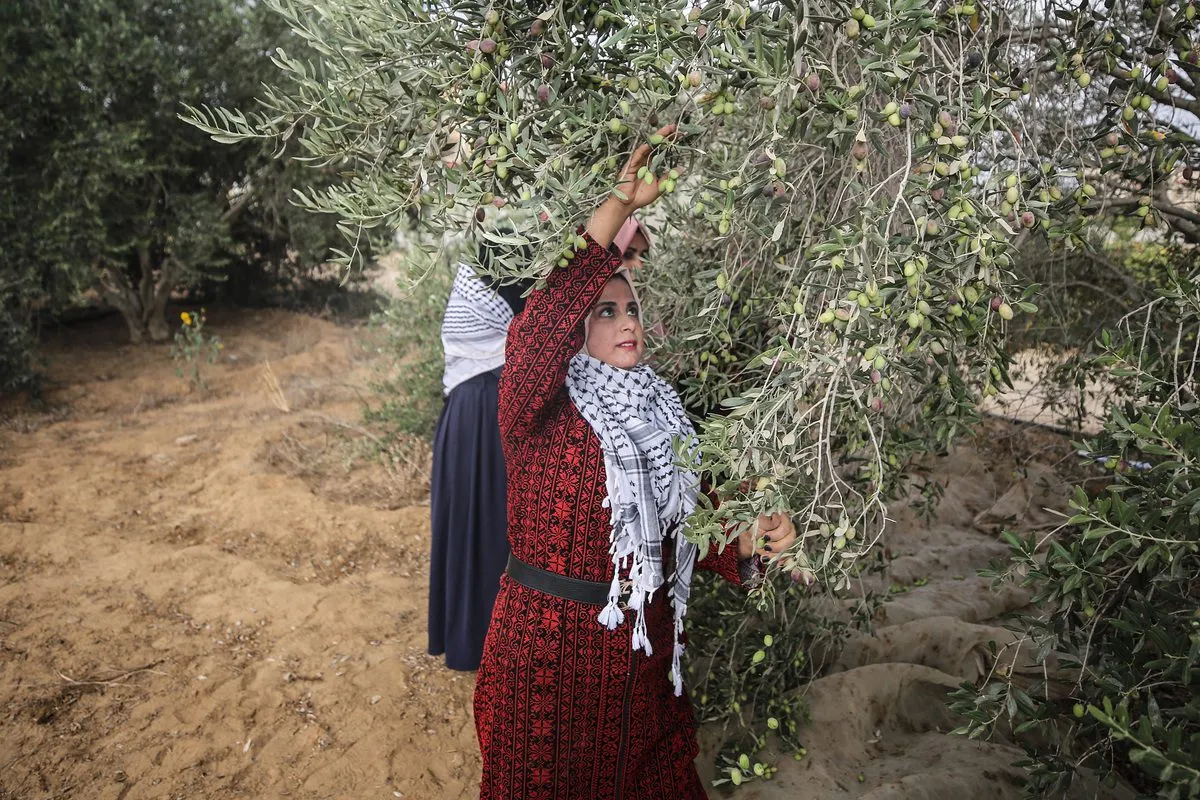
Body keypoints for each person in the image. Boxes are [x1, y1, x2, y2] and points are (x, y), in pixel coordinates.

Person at [473, 125, 798, 799]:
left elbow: (696, 528)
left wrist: (755, 536)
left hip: (640, 664)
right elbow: (538, 325)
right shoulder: (536, 406)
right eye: (604, 312)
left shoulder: (662, 416)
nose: (626, 321)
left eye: (631, 310)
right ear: (572, 329)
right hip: (545, 666)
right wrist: (618, 208)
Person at [427, 238, 531, 671]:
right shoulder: (506, 267)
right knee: (488, 529)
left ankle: (473, 640)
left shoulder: (464, 379)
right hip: (483, 419)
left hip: (465, 416)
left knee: (473, 528)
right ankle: (488, 645)